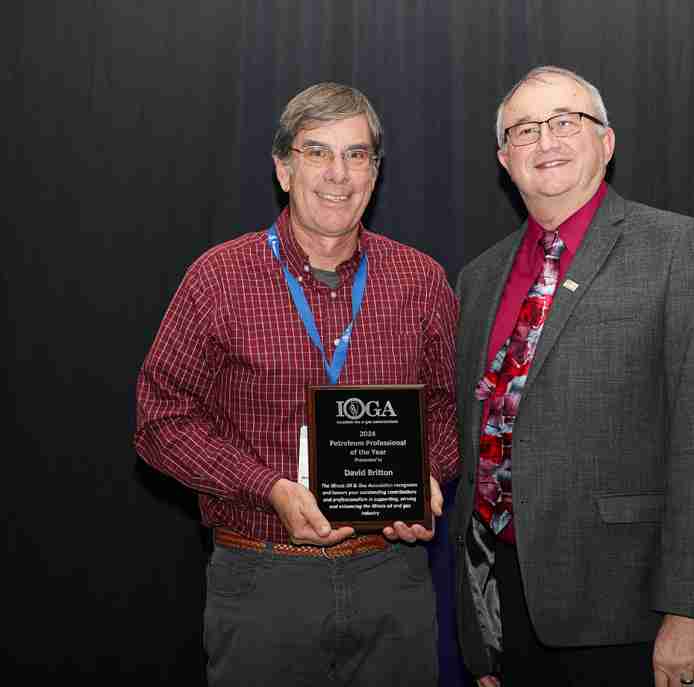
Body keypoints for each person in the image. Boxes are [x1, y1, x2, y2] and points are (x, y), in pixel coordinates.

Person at [134, 82, 458, 686]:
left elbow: (445, 404)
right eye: (317, 152)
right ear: (284, 169)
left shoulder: (422, 280)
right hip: (263, 578)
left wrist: (427, 477)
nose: (339, 173)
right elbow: (160, 421)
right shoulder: (218, 277)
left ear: (374, 173)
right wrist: (268, 488)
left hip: (391, 577)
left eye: (356, 154)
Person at [449, 66, 694, 687]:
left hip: (630, 610)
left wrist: (689, 611)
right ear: (505, 159)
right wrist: (482, 630)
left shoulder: (677, 248)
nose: (546, 141)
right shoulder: (479, 279)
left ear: (606, 142)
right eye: (525, 130)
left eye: (566, 122)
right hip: (508, 604)